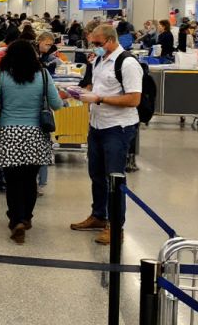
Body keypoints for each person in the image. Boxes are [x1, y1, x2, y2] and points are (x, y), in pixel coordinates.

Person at [0, 41, 65, 244]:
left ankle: (15, 220)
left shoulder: (1, 75)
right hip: (35, 134)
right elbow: (56, 104)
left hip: (8, 133)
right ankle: (26, 218)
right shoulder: (43, 75)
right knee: (30, 180)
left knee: (12, 182)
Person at [71, 25, 142, 245]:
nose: (95, 47)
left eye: (98, 43)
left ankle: (115, 226)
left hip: (118, 128)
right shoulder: (99, 60)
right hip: (97, 125)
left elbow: (133, 99)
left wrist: (99, 99)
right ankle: (99, 216)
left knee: (114, 178)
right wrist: (80, 92)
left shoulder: (128, 63)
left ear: (111, 40)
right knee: (97, 175)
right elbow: (94, 86)